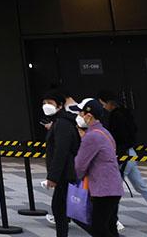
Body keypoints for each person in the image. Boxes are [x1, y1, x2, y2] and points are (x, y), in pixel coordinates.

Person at [96, 90, 147, 228]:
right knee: (141, 186)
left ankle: (111, 219)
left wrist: (117, 155)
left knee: (113, 189)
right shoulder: (125, 112)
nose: (103, 107)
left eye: (103, 103)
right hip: (130, 154)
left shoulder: (116, 116)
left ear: (109, 102)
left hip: (124, 156)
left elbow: (119, 138)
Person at [72, 98, 123, 237]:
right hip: (113, 187)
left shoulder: (91, 136)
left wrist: (72, 179)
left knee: (98, 229)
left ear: (88, 116)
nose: (79, 117)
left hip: (103, 189)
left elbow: (80, 165)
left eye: (81, 114)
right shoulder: (104, 132)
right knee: (110, 227)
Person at [43, 92, 81, 237]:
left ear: (59, 105)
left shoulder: (62, 123)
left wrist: (53, 177)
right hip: (65, 173)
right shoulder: (59, 121)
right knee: (61, 209)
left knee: (62, 209)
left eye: (50, 103)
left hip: (66, 173)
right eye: (44, 103)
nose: (46, 106)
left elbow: (61, 152)